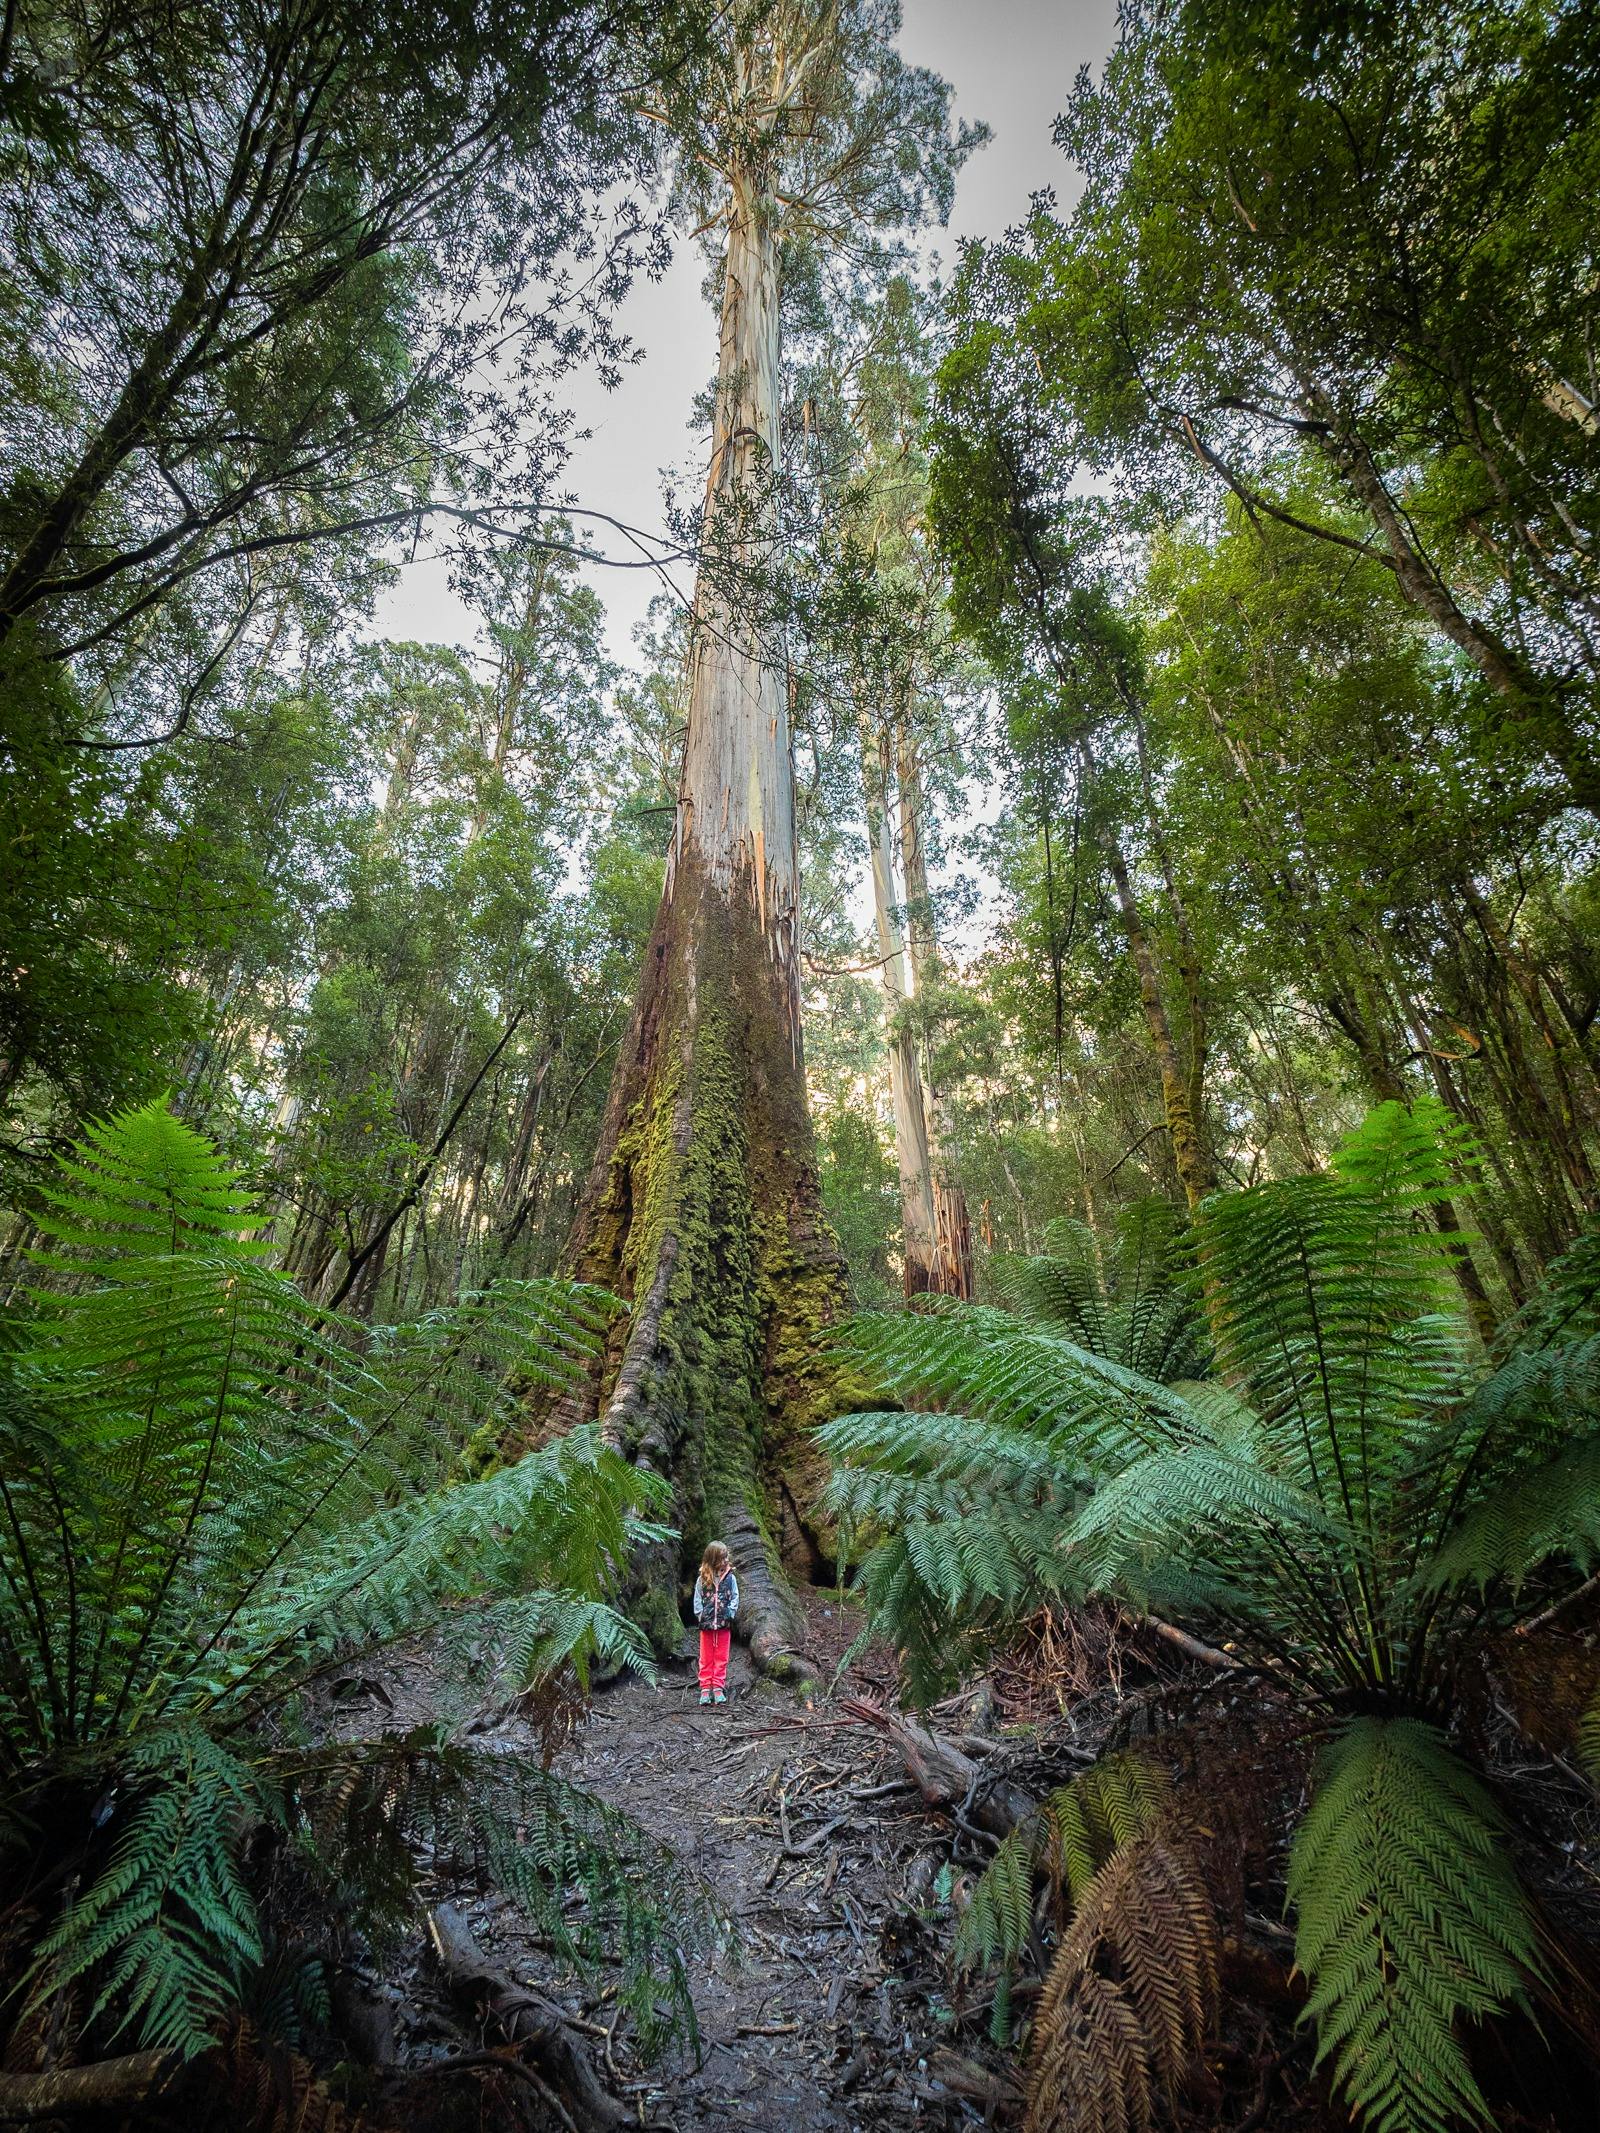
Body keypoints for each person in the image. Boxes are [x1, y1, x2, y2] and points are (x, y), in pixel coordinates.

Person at [692, 1541, 738, 1706]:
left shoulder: (730, 1578)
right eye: (722, 1558)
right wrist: (700, 1615)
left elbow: (735, 1596)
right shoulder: (703, 1579)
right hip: (706, 1625)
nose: (726, 1560)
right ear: (713, 1560)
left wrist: (730, 1613)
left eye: (726, 1557)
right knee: (706, 1657)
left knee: (721, 1656)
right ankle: (705, 1688)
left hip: (724, 1624)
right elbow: (697, 1598)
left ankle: (718, 1687)